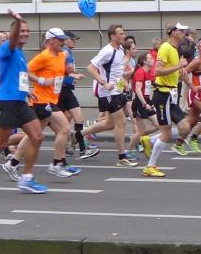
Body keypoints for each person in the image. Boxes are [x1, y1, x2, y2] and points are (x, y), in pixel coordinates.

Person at [0, 9, 47, 195]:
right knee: (0, 145)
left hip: (19, 101)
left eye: (27, 31)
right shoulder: (7, 48)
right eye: (22, 31)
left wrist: (27, 92)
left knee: (37, 136)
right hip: (6, 103)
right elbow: (12, 40)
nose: (25, 34)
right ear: (14, 32)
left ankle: (26, 179)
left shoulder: (19, 53)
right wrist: (18, 21)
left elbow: (18, 76)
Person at [26, 28, 80, 177]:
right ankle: (56, 164)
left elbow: (58, 72)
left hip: (53, 98)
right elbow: (25, 71)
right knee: (64, 128)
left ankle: (13, 162)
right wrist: (41, 80)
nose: (63, 42)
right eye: (60, 39)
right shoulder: (43, 56)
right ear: (50, 41)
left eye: (63, 39)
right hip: (42, 100)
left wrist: (70, 72)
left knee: (35, 134)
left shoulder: (62, 55)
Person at [140, 21, 191, 177]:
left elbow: (177, 71)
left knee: (185, 128)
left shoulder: (175, 49)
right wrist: (178, 66)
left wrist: (190, 84)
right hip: (162, 95)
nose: (183, 33)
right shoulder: (165, 47)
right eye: (181, 31)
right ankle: (150, 166)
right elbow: (157, 71)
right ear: (173, 32)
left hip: (171, 95)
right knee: (166, 133)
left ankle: (150, 140)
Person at [81, 24, 136, 167]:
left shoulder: (120, 50)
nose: (124, 36)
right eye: (121, 34)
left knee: (109, 124)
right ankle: (122, 158)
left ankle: (77, 134)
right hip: (108, 92)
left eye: (123, 33)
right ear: (113, 36)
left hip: (117, 90)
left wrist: (124, 82)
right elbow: (90, 68)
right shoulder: (106, 51)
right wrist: (103, 83)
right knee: (121, 122)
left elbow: (117, 69)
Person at [59, 30, 99, 160]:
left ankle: (82, 149)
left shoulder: (69, 53)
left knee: (79, 118)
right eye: (72, 39)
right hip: (60, 90)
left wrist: (71, 78)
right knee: (57, 121)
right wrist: (73, 75)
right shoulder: (64, 53)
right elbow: (58, 70)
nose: (74, 41)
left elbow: (67, 70)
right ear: (65, 40)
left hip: (67, 90)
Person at [127, 52, 159, 154]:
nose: (153, 59)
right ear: (144, 61)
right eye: (150, 58)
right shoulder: (140, 72)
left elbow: (149, 84)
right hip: (140, 102)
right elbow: (138, 90)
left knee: (158, 125)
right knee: (141, 130)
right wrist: (144, 103)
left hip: (147, 100)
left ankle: (139, 138)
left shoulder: (150, 72)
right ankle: (128, 151)